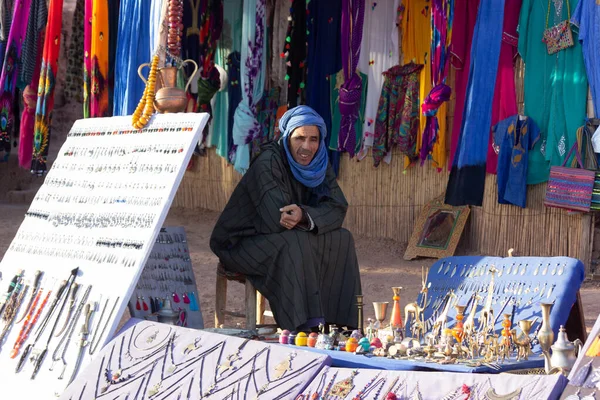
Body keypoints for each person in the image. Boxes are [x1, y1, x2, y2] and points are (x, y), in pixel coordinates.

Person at [210, 105, 362, 331]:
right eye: (300, 138)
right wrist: (303, 217)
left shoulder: (319, 162)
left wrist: (304, 215)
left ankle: (340, 325)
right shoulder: (268, 161)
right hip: (241, 242)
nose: (307, 147)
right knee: (296, 243)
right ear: (287, 136)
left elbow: (338, 207)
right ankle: (304, 326)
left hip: (287, 234)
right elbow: (277, 218)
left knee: (342, 238)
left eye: (314, 139)